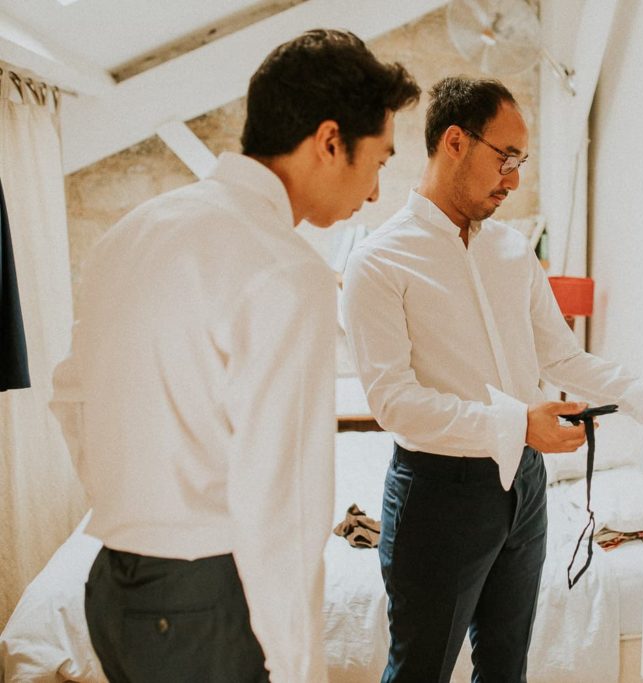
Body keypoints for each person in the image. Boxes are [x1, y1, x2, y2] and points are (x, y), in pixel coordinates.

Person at [49, 29, 419, 683]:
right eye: (381, 162)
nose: (374, 194)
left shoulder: (129, 233)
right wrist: (301, 670)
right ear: (331, 141)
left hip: (110, 586)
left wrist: (141, 507)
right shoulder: (288, 270)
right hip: (201, 601)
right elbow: (287, 501)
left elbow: (71, 393)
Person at [340, 75, 643, 683]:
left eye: (521, 162)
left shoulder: (512, 251)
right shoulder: (378, 262)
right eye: (505, 158)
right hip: (437, 494)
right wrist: (519, 423)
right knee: (418, 672)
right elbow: (394, 405)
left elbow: (562, 358)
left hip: (524, 491)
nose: (513, 179)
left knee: (507, 667)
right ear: (454, 141)